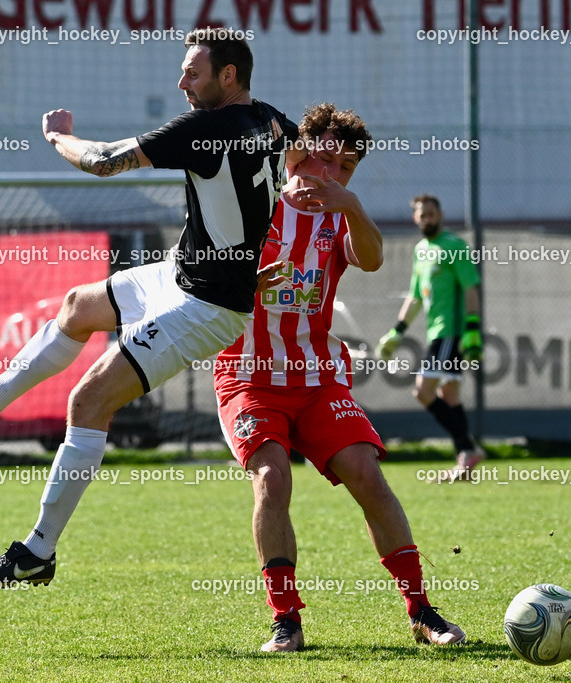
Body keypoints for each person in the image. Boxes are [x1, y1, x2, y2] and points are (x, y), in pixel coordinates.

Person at [0, 28, 300, 585]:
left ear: (228, 76)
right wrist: (264, 252)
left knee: (87, 403)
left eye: (193, 73)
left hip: (208, 306)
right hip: (185, 274)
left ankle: (37, 553)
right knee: (78, 306)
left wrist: (59, 137)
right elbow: (298, 176)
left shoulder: (207, 127)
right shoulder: (274, 120)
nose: (181, 82)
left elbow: (106, 161)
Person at [214, 105, 466, 652]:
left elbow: (372, 259)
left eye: (347, 169)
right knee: (272, 479)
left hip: (318, 379)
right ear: (301, 151)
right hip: (250, 377)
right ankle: (286, 620)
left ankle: (422, 612)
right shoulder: (253, 203)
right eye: (326, 157)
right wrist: (245, 284)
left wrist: (350, 203)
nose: (333, 173)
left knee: (367, 475)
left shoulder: (339, 216)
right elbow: (209, 278)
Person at [377, 195, 485, 482]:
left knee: (423, 391)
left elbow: (471, 288)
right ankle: (466, 457)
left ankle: (468, 449)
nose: (426, 219)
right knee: (448, 397)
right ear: (415, 218)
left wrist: (473, 327)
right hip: (436, 332)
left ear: (441, 215)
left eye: (431, 214)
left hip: (451, 332)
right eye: (421, 215)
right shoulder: (420, 250)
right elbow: (415, 296)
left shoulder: (454, 246)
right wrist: (397, 331)